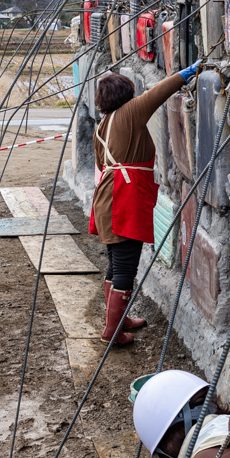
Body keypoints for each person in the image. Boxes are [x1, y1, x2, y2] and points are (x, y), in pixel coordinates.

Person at [89, 61, 201, 346]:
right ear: (125, 93)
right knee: (126, 266)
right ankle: (112, 333)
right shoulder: (130, 112)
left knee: (116, 263)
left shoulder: (102, 125)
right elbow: (159, 92)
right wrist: (187, 73)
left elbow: (102, 164)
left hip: (107, 198)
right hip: (123, 200)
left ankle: (118, 320)